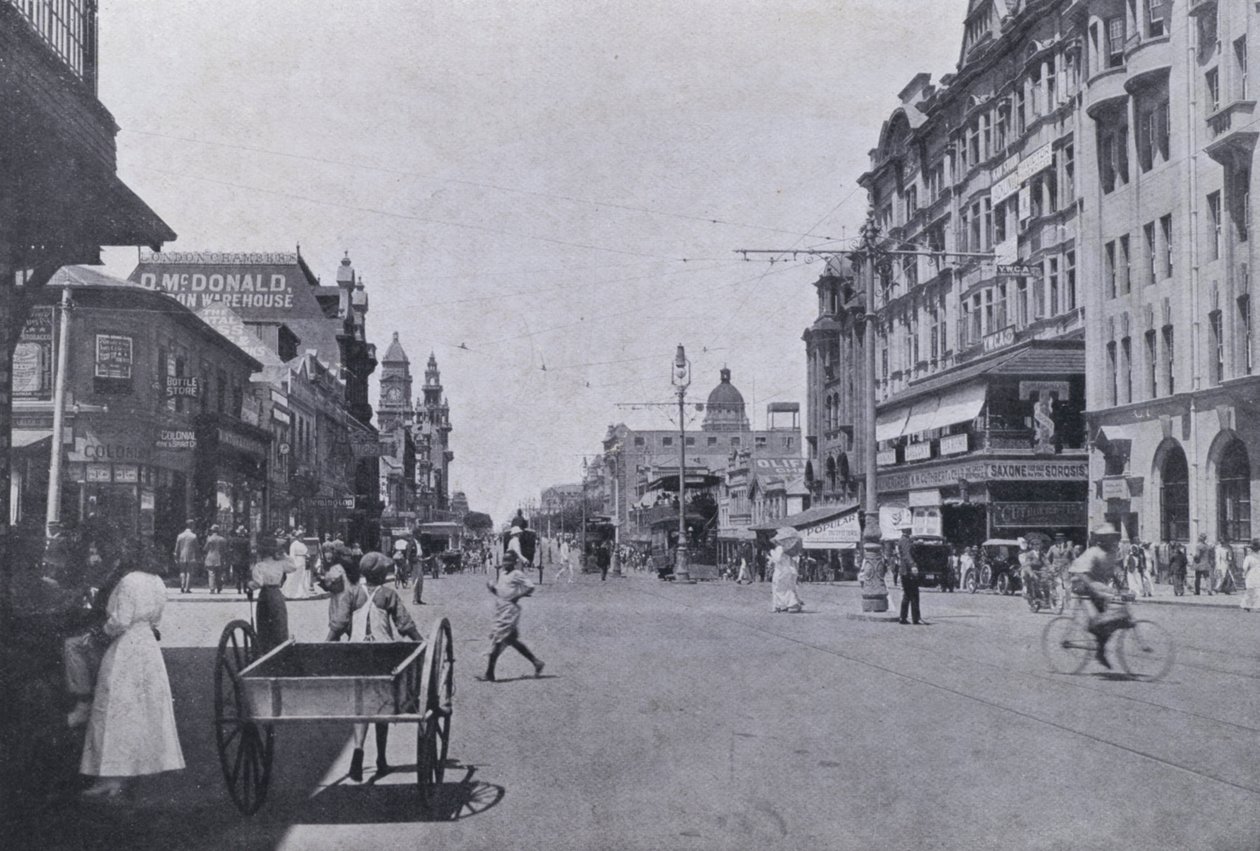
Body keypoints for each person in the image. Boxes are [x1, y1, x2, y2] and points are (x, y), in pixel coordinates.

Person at [78, 552, 185, 799]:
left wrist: (98, 633)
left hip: (126, 647)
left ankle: (110, 776)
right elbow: (156, 619)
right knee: (142, 709)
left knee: (115, 707)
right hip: (148, 646)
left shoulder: (128, 581)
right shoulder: (157, 581)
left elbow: (120, 621)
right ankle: (134, 767)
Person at [348, 552, 425, 782]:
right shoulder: (387, 594)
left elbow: (340, 623)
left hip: (357, 654)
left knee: (361, 705)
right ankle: (381, 758)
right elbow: (405, 624)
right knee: (381, 704)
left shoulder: (353, 594)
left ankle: (358, 750)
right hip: (383, 655)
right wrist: (421, 642)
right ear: (381, 574)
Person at [1067, 523, 1125, 669]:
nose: (1110, 540)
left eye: (1112, 537)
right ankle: (1094, 629)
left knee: (1110, 621)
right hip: (1082, 586)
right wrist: (1093, 587)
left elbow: (1112, 571)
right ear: (1101, 538)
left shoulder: (1112, 553)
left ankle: (1100, 651)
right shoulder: (1092, 552)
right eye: (1107, 537)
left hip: (1098, 588)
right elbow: (1079, 572)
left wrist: (1122, 586)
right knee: (1097, 620)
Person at [484, 551, 544, 681]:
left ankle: (489, 673)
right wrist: (492, 588)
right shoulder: (502, 574)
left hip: (510, 611)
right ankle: (536, 662)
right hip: (501, 610)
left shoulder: (517, 574)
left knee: (499, 640)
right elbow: (500, 592)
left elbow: (530, 586)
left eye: (509, 561)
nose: (506, 563)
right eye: (504, 560)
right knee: (511, 640)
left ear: (515, 562)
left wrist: (518, 596)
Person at [250, 537, 296, 653]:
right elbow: (293, 567)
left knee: (264, 623)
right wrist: (284, 555)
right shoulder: (280, 564)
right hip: (277, 594)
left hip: (265, 595)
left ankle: (265, 649)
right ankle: (281, 649)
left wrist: (250, 585)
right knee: (279, 622)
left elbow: (258, 583)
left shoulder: (259, 566)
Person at [769, 527, 804, 613]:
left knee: (778, 588)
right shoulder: (787, 550)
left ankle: (781, 605)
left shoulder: (779, 548)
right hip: (788, 570)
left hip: (781, 570)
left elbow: (777, 559)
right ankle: (784, 604)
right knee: (786, 587)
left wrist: (771, 554)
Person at [897, 526, 924, 625]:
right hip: (908, 571)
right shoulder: (905, 540)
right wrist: (913, 565)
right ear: (906, 530)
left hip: (905, 571)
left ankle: (903, 617)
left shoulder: (905, 540)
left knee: (907, 595)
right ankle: (915, 618)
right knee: (914, 595)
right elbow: (907, 555)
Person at [173, 519, 200, 595]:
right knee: (189, 572)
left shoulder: (180, 536)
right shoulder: (194, 536)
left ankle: (182, 585)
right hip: (191, 556)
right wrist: (198, 556)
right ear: (191, 525)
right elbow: (197, 548)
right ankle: (187, 588)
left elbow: (176, 548)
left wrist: (176, 556)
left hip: (182, 556)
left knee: (182, 571)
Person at [283, 528, 311, 599]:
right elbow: (292, 555)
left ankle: (302, 593)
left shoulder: (303, 544)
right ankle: (291, 593)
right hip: (296, 562)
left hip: (302, 562)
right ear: (297, 537)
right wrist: (293, 563)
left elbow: (306, 552)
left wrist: (307, 555)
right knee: (294, 578)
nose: (302, 537)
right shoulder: (294, 544)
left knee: (302, 578)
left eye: (302, 536)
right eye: (300, 536)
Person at [203, 524, 227, 595]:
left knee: (211, 574)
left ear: (212, 530)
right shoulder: (222, 539)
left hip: (210, 557)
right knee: (219, 574)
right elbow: (225, 550)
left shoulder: (209, 539)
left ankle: (212, 589)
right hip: (219, 557)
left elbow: (205, 548)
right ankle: (219, 587)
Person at [229, 525, 252, 595]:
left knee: (237, 574)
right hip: (245, 560)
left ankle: (238, 588)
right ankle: (245, 588)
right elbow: (249, 550)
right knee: (245, 575)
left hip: (236, 559)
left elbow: (230, 549)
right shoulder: (247, 541)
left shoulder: (233, 540)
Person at [1241, 540, 1260, 612]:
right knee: (1258, 590)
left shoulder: (1249, 557)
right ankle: (1257, 605)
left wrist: (1244, 574)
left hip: (1251, 574)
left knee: (1250, 590)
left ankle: (1246, 604)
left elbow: (1245, 567)